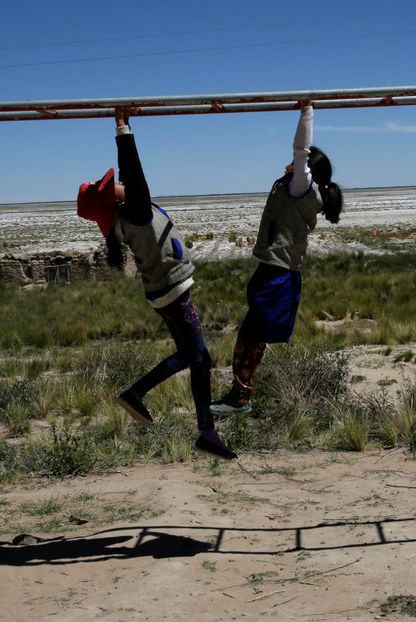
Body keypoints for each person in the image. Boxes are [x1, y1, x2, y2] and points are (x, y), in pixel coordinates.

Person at [77, 108, 236, 460]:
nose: (119, 182)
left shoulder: (127, 217)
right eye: (112, 185)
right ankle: (203, 430)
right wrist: (123, 128)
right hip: (172, 293)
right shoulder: (135, 212)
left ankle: (140, 397)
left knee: (191, 355)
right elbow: (134, 172)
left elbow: (132, 181)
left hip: (163, 293)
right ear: (113, 198)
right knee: (199, 358)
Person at [211, 103, 343, 415]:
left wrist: (306, 112)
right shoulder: (296, 186)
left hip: (277, 274)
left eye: (301, 163)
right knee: (250, 338)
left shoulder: (302, 187)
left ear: (308, 167)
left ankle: (239, 399)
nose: (291, 161)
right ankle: (240, 397)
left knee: (249, 338)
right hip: (274, 271)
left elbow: (300, 148)